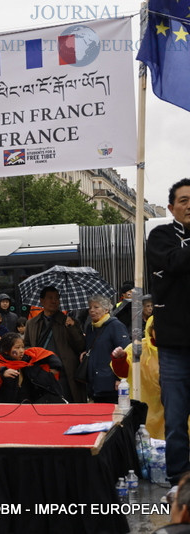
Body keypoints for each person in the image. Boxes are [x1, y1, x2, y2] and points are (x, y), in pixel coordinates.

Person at [146, 178, 190, 496]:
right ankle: (179, 479)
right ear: (172, 206)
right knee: (175, 417)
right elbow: (174, 262)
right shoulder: (160, 236)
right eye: (184, 200)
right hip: (174, 345)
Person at [24, 286, 86, 403]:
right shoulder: (31, 323)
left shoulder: (68, 321)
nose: (54, 301)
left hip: (65, 375)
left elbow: (80, 346)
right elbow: (26, 346)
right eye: (50, 298)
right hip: (41, 374)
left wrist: (72, 327)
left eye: (57, 298)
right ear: (42, 301)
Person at [111, 316, 164, 439]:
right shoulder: (137, 348)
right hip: (146, 409)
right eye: (156, 328)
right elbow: (123, 373)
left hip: (173, 409)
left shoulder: (180, 350)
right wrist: (119, 359)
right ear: (151, 330)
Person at [0, 332, 65, 403]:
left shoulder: (29, 355)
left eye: (22, 347)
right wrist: (2, 371)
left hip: (33, 403)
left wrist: (55, 367)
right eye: (17, 347)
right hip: (9, 407)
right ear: (6, 350)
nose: (22, 350)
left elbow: (47, 354)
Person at [81, 294, 129, 404]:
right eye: (90, 307)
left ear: (106, 309)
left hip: (111, 384)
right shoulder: (90, 328)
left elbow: (125, 353)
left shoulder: (116, 326)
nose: (92, 310)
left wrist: (120, 379)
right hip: (95, 383)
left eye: (96, 307)